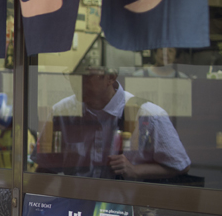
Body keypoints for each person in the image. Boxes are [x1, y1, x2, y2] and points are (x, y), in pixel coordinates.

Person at [34, 67, 191, 180]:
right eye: (73, 76)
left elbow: (180, 165)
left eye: (86, 76)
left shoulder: (148, 115)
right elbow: (44, 168)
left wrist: (136, 170)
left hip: (124, 211)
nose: (77, 83)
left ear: (111, 77)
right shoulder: (62, 112)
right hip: (75, 210)